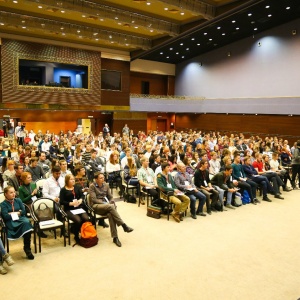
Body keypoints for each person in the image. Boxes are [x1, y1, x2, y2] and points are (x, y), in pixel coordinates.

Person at [89, 172, 133, 247]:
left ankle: (115, 237)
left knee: (110, 214)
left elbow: (110, 196)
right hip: (96, 206)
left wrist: (111, 201)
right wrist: (106, 204)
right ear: (96, 179)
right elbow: (94, 199)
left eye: (103, 177)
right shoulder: (92, 186)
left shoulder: (106, 185)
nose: (103, 179)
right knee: (111, 207)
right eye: (101, 178)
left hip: (107, 206)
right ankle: (123, 225)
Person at [0, 186, 34, 259]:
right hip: (10, 222)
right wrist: (18, 212)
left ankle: (27, 249)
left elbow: (24, 211)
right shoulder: (3, 204)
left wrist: (12, 213)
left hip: (20, 219)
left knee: (27, 223)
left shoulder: (18, 200)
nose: (13, 194)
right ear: (6, 194)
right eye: (11, 192)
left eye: (14, 192)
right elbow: (5, 216)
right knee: (25, 223)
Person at [60, 174, 89, 243]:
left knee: (86, 218)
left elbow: (82, 195)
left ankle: (83, 233)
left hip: (78, 207)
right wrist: (70, 203)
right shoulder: (63, 190)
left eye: (73, 179)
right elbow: (61, 202)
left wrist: (80, 200)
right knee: (78, 220)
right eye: (71, 179)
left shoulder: (77, 187)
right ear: (67, 180)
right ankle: (76, 235)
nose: (73, 180)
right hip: (69, 209)